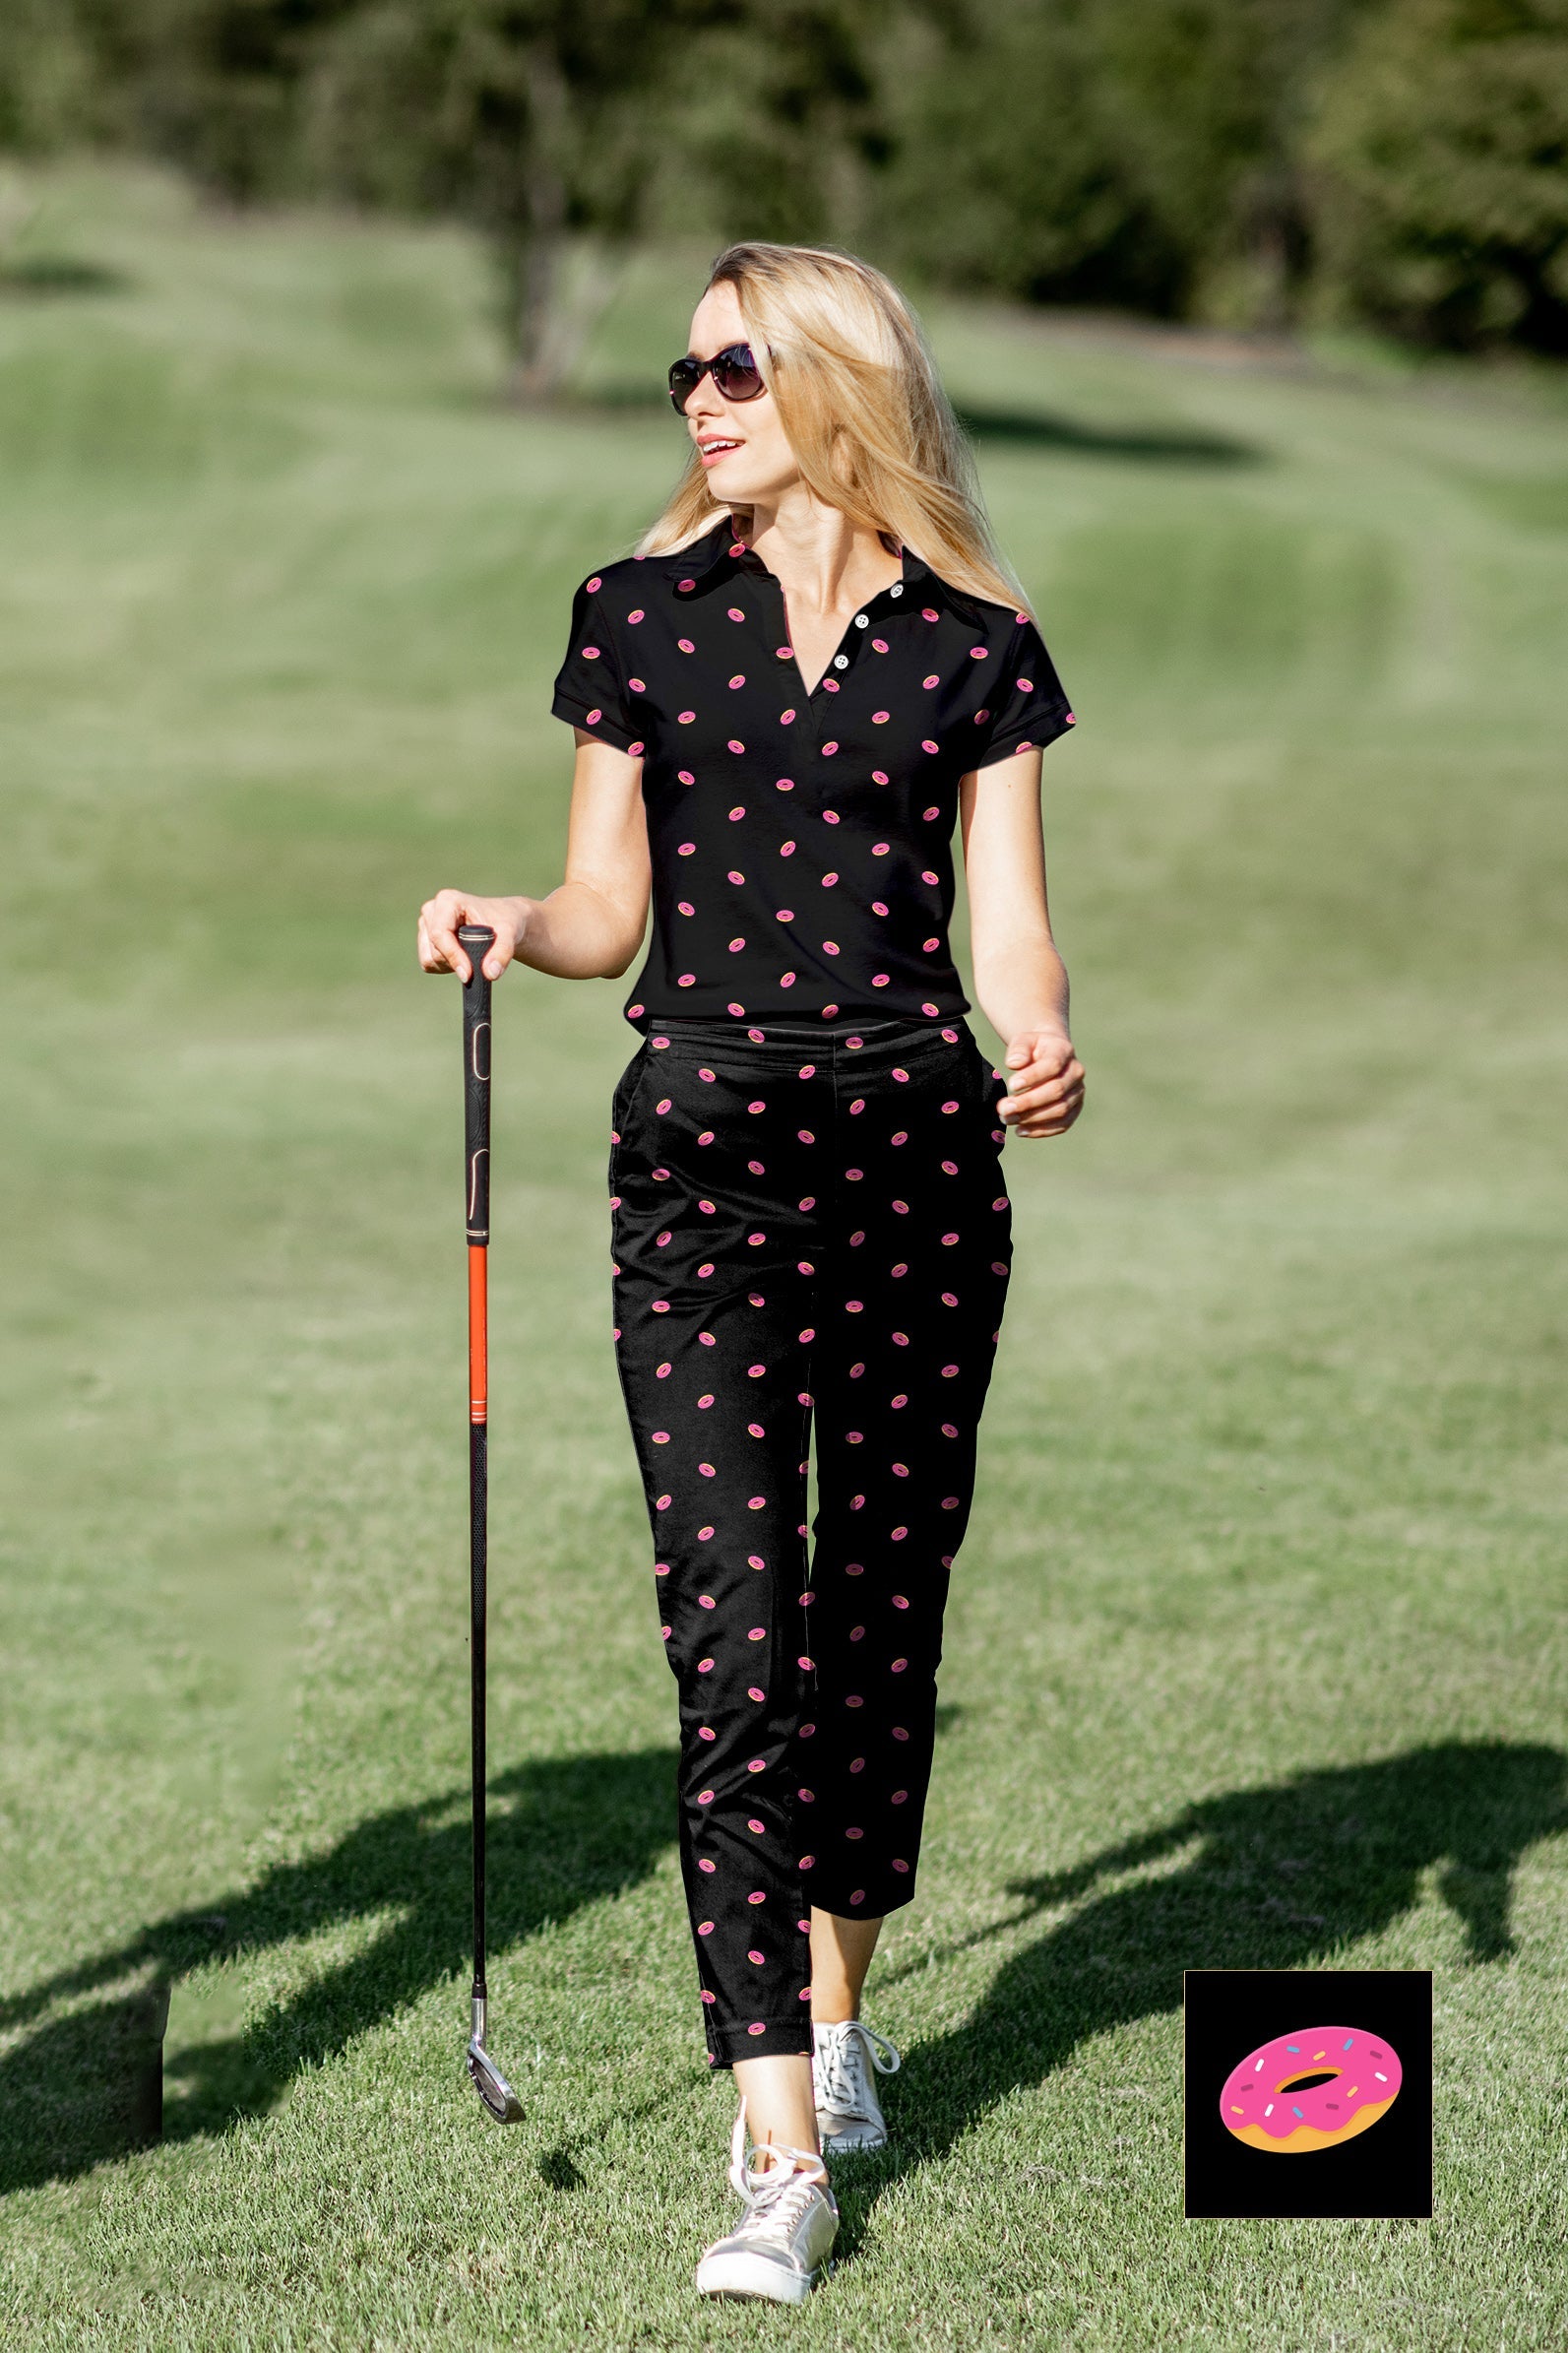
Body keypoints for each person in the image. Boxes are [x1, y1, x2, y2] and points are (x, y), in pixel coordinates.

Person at [417, 239, 1085, 2305]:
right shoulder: (634, 618)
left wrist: (1039, 1025)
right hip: (698, 1153)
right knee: (733, 1638)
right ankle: (774, 2131)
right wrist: (512, 923)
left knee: (874, 1624)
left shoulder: (973, 641)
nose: (694, 401)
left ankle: (843, 2009)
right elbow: (612, 903)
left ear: (827, 385)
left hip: (907, 1154)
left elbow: (1006, 912)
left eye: (728, 368)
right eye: (683, 373)